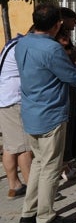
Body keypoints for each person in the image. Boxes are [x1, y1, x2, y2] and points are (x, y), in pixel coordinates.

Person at [15, 3, 76, 223]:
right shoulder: (52, 49)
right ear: (57, 25)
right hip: (50, 112)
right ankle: (45, 216)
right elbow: (72, 77)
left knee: (39, 164)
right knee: (51, 167)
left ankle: (29, 212)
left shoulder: (22, 42)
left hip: (31, 110)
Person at [54, 28, 76, 182]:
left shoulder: (67, 51)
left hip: (71, 93)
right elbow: (72, 75)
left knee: (71, 130)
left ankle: (67, 164)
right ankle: (62, 168)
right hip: (60, 98)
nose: (67, 38)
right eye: (64, 36)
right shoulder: (55, 53)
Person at [0, 34, 32, 200]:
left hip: (5, 98)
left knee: (10, 146)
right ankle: (35, 192)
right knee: (24, 147)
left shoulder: (13, 43)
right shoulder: (23, 46)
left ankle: (14, 185)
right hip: (14, 100)